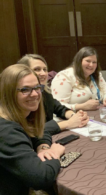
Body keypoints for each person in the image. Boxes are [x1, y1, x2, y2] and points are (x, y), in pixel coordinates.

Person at [0, 64, 65, 194]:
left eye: (37, 87)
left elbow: (40, 131)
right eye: (25, 89)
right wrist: (54, 154)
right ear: (9, 92)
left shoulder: (21, 114)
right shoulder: (6, 131)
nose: (35, 94)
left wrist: (43, 146)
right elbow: (41, 178)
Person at [18, 54, 89, 135]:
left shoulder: (44, 93)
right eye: (37, 69)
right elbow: (29, 131)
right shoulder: (22, 97)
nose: (43, 73)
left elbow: (59, 108)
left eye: (45, 69)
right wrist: (68, 123)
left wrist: (76, 116)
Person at [51, 47, 106, 111]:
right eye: (88, 61)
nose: (91, 65)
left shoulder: (96, 75)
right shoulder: (64, 76)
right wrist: (82, 106)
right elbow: (57, 106)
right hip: (70, 117)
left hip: (95, 115)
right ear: (79, 61)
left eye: (94, 62)